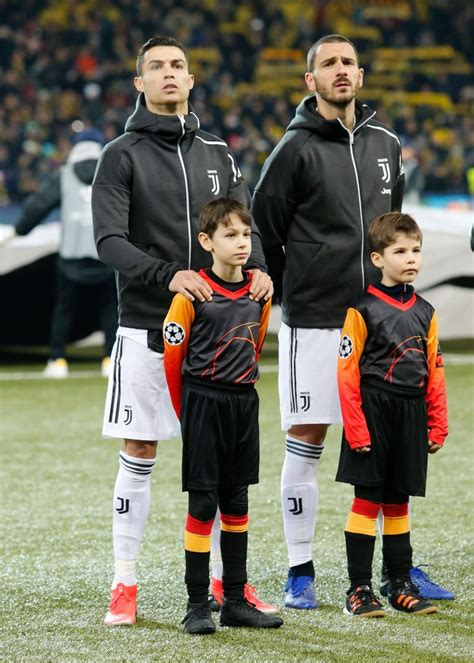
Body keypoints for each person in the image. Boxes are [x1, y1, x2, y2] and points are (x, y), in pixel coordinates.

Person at [252, 33, 452, 607]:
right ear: (309, 80)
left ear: (361, 76)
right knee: (308, 439)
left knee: (389, 447)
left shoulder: (387, 144)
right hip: (316, 320)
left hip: (384, 326)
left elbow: (393, 230)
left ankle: (398, 573)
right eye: (328, 64)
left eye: (348, 62)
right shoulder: (292, 150)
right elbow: (265, 232)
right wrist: (300, 290)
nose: (340, 71)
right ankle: (300, 571)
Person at [92, 35, 273, 626]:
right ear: (138, 83)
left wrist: (263, 269)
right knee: (139, 451)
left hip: (220, 341)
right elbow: (109, 242)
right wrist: (169, 274)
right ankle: (125, 583)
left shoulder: (220, 152)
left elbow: (247, 224)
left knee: (223, 469)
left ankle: (228, 587)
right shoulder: (120, 154)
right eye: (156, 68)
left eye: (178, 66)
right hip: (146, 329)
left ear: (191, 79)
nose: (169, 74)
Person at [163, 198, 283, 634]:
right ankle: (196, 604)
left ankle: (234, 599)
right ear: (206, 241)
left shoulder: (259, 290)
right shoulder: (192, 294)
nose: (241, 243)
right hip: (202, 402)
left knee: (237, 502)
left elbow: (255, 344)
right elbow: (173, 360)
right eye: (230, 235)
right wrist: (188, 413)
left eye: (245, 235)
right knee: (203, 503)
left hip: (243, 403)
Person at [336, 212, 448, 617]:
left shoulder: (426, 310)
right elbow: (347, 372)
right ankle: (358, 590)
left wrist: (438, 422)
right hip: (373, 410)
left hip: (410, 413)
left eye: (416, 250)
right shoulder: (362, 308)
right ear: (378, 258)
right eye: (400, 250)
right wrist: (356, 427)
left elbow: (434, 369)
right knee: (367, 499)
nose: (410, 258)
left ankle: (399, 583)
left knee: (399, 500)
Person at [5, 128, 117, 377]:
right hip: (106, 253)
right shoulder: (111, 174)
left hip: (71, 255)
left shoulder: (64, 175)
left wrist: (20, 230)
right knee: (110, 307)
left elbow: (39, 205)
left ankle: (57, 360)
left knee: (63, 308)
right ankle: (110, 359)